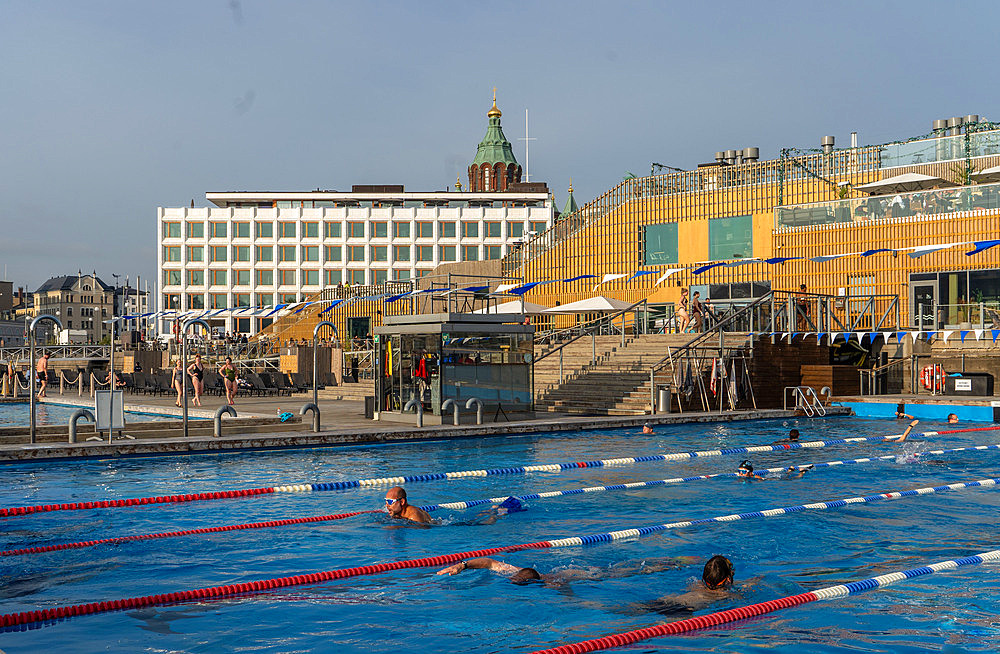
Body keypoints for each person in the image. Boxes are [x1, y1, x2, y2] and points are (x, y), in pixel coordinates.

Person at [437, 554, 702, 588]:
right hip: (578, 569)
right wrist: (461, 565)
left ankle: (673, 561)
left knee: (637, 570)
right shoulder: (518, 571)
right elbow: (490, 561)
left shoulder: (551, 584)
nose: (513, 577)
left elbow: (568, 593)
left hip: (590, 576)